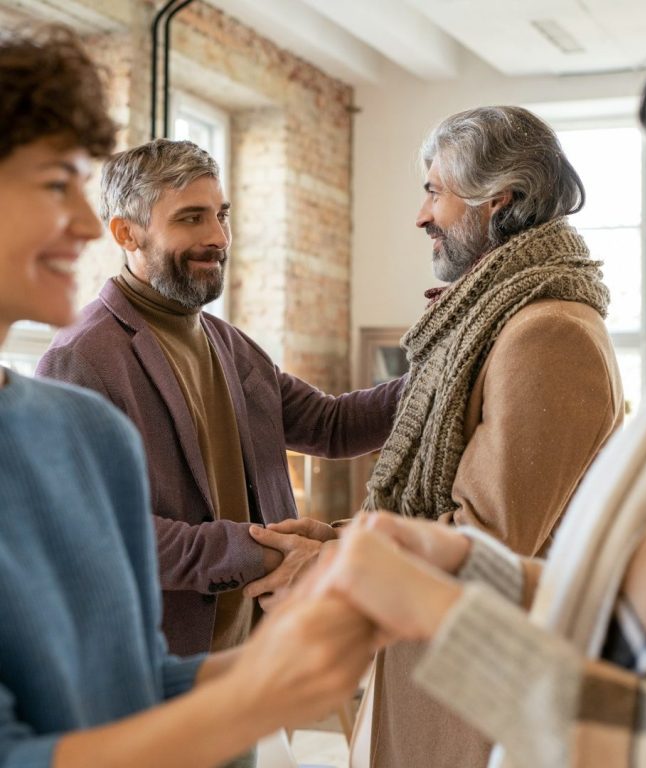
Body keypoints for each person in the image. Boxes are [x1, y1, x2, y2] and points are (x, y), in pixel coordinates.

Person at [317, 20, 646, 767]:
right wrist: (443, 556)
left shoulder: (548, 331)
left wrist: (436, 597)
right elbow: (631, 596)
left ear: (499, 201)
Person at [0, 25, 375, 768]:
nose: (85, 225)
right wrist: (260, 571)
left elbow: (129, 683)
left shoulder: (79, 429)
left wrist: (285, 661)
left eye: (220, 215)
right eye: (54, 184)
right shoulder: (81, 361)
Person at [252, 106, 624, 767]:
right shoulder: (499, 320)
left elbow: (486, 543)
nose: (421, 216)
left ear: (497, 201)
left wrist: (338, 561)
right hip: (443, 671)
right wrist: (339, 541)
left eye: (434, 192)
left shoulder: (546, 333)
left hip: (481, 696)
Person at [35, 137, 403, 658]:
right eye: (191, 219)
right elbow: (101, 532)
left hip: (255, 651)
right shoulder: (80, 357)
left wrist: (447, 367)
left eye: (221, 215)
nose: (218, 238)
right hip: (160, 667)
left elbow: (332, 425)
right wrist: (265, 554)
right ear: (126, 233)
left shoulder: (227, 342)